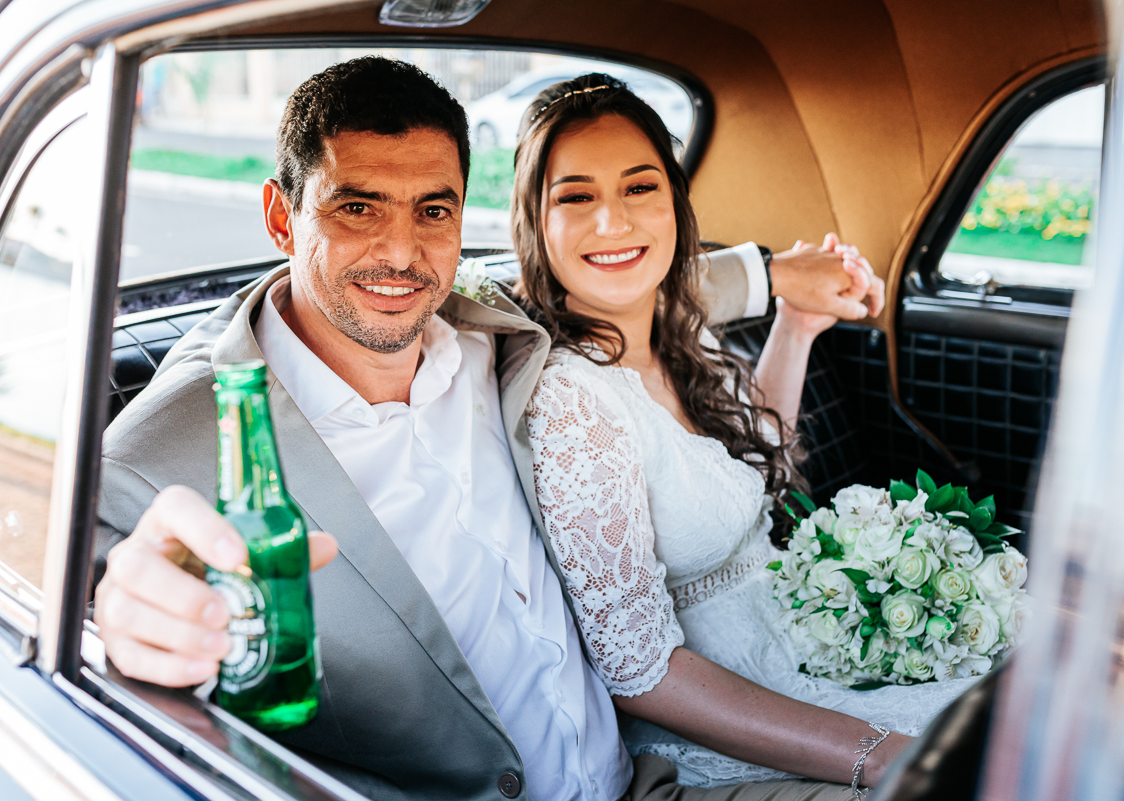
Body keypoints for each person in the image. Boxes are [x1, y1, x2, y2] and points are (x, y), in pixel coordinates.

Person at [93, 57, 887, 801]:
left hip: (640, 780)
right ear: (280, 215)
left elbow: (625, 275)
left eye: (432, 210)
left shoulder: (491, 326)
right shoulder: (168, 449)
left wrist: (779, 276)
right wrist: (120, 631)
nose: (400, 252)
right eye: (356, 206)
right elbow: (99, 613)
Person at [516, 74, 977, 790]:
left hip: (805, 642)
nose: (613, 222)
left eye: (640, 187)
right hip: (737, 718)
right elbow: (640, 675)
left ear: (675, 204)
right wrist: (877, 750)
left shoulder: (681, 334)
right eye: (575, 197)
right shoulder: (575, 401)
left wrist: (795, 326)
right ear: (534, 224)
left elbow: (749, 467)